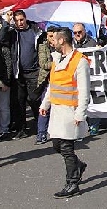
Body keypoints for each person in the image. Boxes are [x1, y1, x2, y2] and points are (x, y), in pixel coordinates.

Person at [39, 27, 90, 198]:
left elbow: (84, 91)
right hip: (57, 111)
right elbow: (53, 85)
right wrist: (45, 104)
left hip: (70, 112)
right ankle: (78, 165)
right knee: (56, 145)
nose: (51, 41)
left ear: (62, 41)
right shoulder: (57, 59)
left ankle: (72, 183)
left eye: (54, 38)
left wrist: (80, 114)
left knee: (67, 148)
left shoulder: (80, 61)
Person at [0, 9, 43, 140]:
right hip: (18, 74)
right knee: (19, 102)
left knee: (34, 99)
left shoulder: (35, 31)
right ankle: (21, 128)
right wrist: (6, 23)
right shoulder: (13, 33)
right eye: (16, 21)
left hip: (33, 72)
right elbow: (1, 38)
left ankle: (40, 124)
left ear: (25, 18)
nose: (19, 23)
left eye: (21, 20)